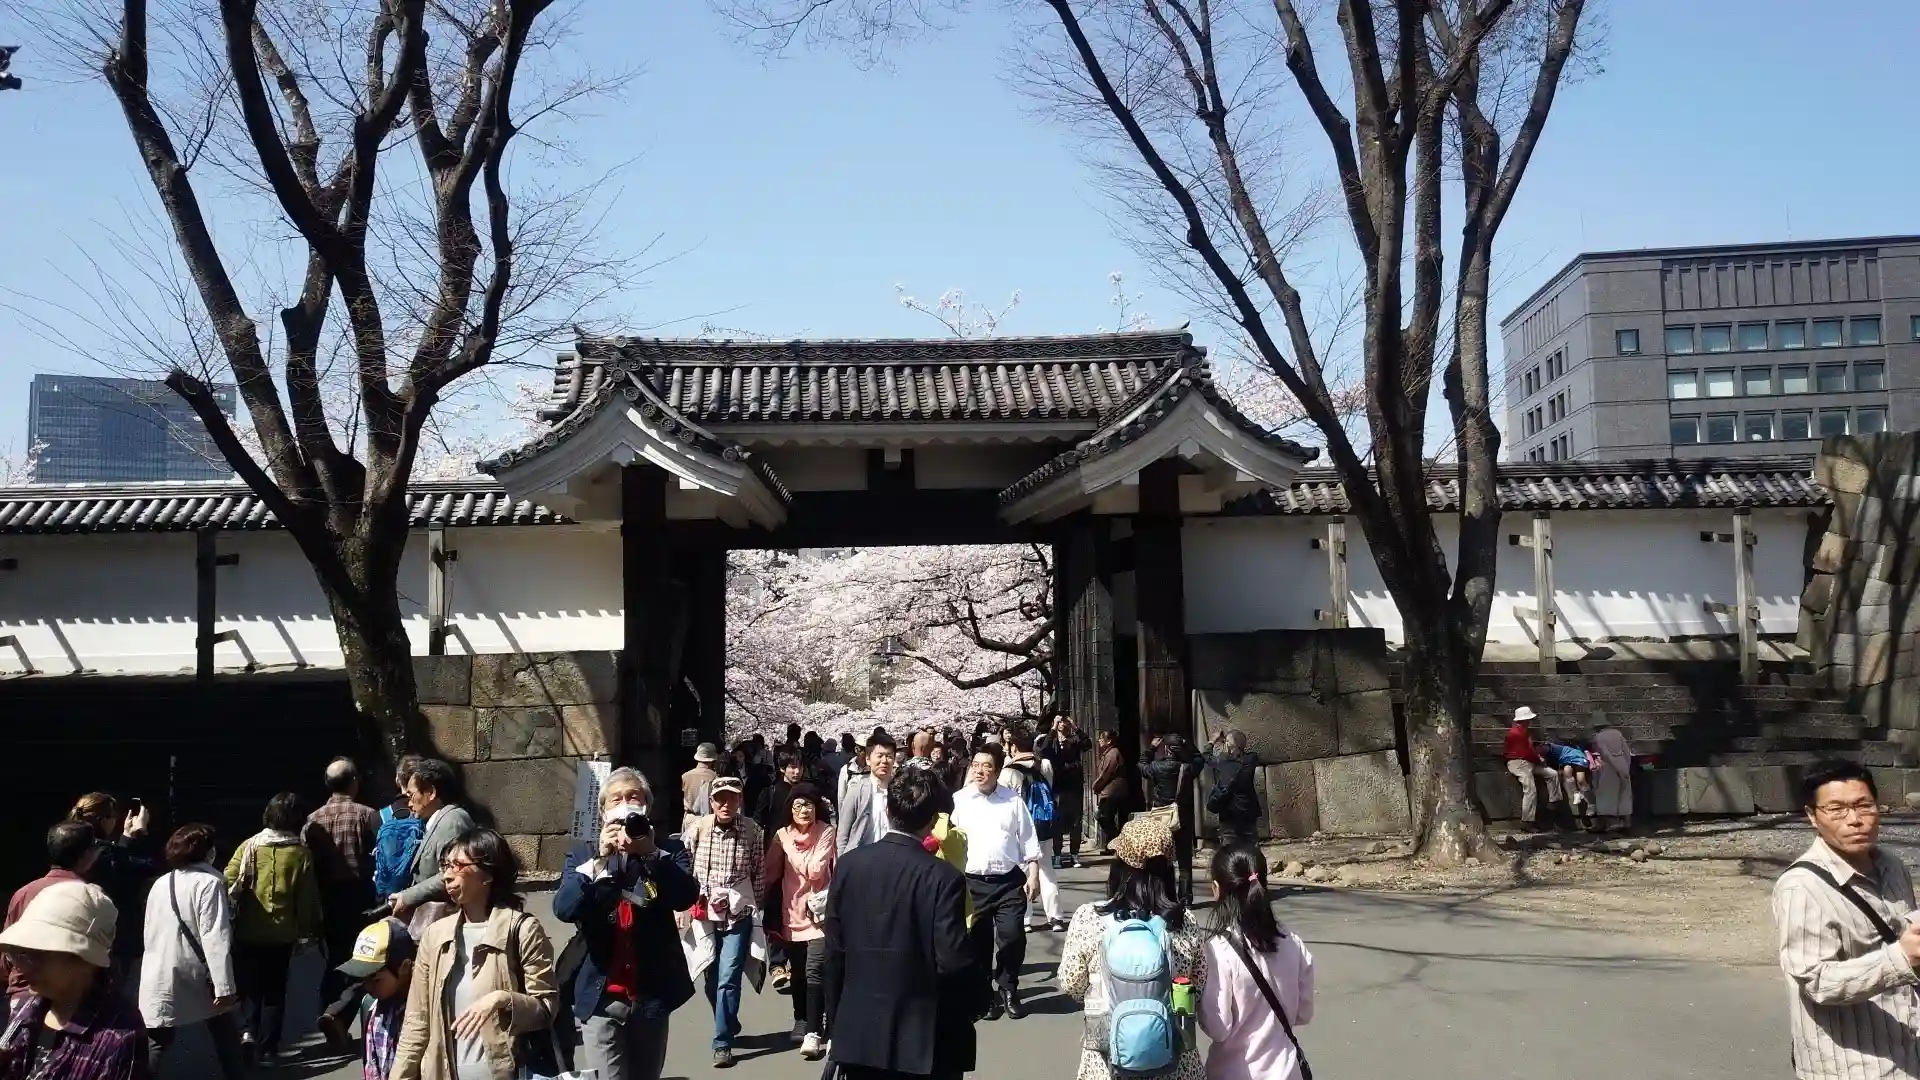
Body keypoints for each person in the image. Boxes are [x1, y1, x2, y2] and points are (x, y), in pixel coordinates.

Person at [824, 767, 981, 1080]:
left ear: (887, 809)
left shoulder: (850, 865)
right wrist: (974, 1000)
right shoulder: (943, 877)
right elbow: (952, 960)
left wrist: (835, 1024)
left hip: (859, 1033)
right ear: (933, 820)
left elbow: (835, 952)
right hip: (923, 1035)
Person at [1773, 759, 1920, 1079]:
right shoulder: (1801, 888)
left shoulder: (1893, 867)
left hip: (1908, 1052)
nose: (1855, 820)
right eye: (1837, 809)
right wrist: (1901, 958)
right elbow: (1816, 981)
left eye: (1864, 805)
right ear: (1813, 816)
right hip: (1852, 1065)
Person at [553, 767, 700, 1080]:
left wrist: (651, 854)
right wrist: (599, 862)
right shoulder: (583, 854)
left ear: (646, 806)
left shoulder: (669, 852)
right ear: (603, 811)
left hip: (651, 995)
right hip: (600, 995)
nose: (625, 804)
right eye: (616, 799)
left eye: (633, 797)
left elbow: (685, 897)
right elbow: (564, 908)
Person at [391, 828, 558, 1080]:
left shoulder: (522, 930)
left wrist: (504, 999)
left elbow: (546, 1008)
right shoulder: (435, 936)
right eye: (445, 866)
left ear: (487, 874)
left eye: (457, 865)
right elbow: (417, 1022)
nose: (447, 875)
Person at [1058, 815, 1206, 1080]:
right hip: (1176, 1064)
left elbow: (1071, 983)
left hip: (1106, 1063)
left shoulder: (1089, 918)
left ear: (1119, 867)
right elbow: (1199, 987)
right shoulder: (1184, 922)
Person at [0, 882, 147, 1080]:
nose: (23, 967)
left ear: (86, 961)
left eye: (39, 956)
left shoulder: (119, 1036)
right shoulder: (27, 1009)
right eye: (19, 954)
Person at [1200, 842, 1315, 1080]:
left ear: (1216, 889)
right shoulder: (1292, 942)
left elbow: (1218, 1028)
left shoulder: (1219, 951)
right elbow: (1303, 1012)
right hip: (1287, 1071)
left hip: (1235, 1072)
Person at [226, 791, 322, 1066]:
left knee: (250, 989)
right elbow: (306, 899)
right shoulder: (300, 854)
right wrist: (308, 932)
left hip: (247, 930)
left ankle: (248, 1034)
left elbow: (228, 879)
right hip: (282, 934)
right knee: (275, 992)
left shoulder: (249, 846)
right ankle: (268, 1049)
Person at [140, 823, 243, 1078]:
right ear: (208, 851)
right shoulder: (210, 883)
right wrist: (224, 987)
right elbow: (215, 936)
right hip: (198, 971)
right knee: (224, 1031)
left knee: (158, 1037)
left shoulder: (161, 883)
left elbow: (149, 930)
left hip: (161, 969)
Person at [950, 744, 1043, 1020]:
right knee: (978, 943)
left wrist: (1034, 874)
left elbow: (1028, 839)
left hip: (1008, 881)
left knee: (1013, 936)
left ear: (998, 770)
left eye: (986, 766)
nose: (980, 771)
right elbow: (948, 839)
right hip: (973, 883)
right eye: (976, 765)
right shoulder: (960, 800)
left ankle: (1008, 987)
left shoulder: (1013, 801)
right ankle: (985, 994)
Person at [681, 775, 764, 1069]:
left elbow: (758, 872)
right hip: (705, 912)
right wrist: (683, 906)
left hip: (738, 911)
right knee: (711, 976)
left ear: (739, 800)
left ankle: (722, 1042)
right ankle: (727, 1018)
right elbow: (685, 868)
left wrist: (758, 910)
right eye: (720, 799)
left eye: (732, 798)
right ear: (712, 802)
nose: (726, 804)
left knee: (729, 976)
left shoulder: (753, 831)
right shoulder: (697, 829)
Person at [762, 783, 836, 1060]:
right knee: (799, 972)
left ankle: (815, 1030)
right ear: (789, 810)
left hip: (818, 914)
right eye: (798, 806)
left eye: (808, 805)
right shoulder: (781, 835)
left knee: (816, 970)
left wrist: (788, 847)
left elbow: (816, 871)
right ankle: (801, 1018)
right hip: (790, 912)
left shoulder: (826, 832)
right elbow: (770, 872)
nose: (804, 810)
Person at [306, 758, 383, 1016]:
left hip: (327, 896)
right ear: (354, 782)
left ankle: (328, 1008)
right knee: (360, 954)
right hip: (361, 895)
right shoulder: (368, 815)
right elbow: (380, 857)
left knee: (335, 954)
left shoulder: (313, 820)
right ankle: (344, 1011)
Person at [2, 821, 102, 1009]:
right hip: (69, 999)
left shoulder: (23, 893)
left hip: (23, 995)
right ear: (86, 855)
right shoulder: (91, 897)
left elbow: (6, 957)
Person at [69, 792, 156, 984]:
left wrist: (127, 837)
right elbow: (144, 867)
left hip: (83, 934)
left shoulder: (75, 848)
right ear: (102, 820)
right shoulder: (102, 853)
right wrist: (140, 833)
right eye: (112, 816)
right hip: (115, 940)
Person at [389, 759, 478, 927]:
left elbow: (452, 873)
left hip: (447, 920)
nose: (409, 803)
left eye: (411, 795)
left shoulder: (453, 821)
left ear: (430, 792)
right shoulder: (439, 820)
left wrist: (408, 896)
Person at [332, 918, 416, 1080]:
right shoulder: (371, 1007)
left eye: (376, 980)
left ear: (405, 967)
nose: (368, 987)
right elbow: (371, 1063)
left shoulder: (422, 1010)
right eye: (363, 978)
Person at [1000, 728, 1066, 933]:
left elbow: (1004, 801)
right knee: (1047, 870)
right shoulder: (1044, 764)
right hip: (1043, 824)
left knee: (1023, 871)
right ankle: (1055, 917)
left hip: (1020, 827)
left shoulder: (1008, 771)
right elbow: (1051, 787)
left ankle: (1026, 919)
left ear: (1013, 746)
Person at [836, 733, 899, 857]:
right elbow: (843, 834)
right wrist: (842, 862)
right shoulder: (856, 790)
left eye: (889, 756)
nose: (884, 761)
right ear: (868, 759)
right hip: (861, 859)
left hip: (893, 859)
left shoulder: (899, 791)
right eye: (879, 756)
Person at [1503, 707, 1564, 828]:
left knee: (1552, 774)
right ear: (1524, 720)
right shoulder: (1516, 733)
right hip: (1517, 763)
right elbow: (1526, 753)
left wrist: (1537, 759)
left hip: (1528, 762)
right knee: (1530, 789)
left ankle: (1554, 800)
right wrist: (1539, 760)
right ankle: (1527, 821)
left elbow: (1529, 752)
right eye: (1528, 719)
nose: (1530, 721)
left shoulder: (1523, 732)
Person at [1202, 731, 1260, 847]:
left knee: (1229, 849)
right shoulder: (1251, 759)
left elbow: (1206, 756)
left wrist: (1213, 741)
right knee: (1251, 847)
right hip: (1248, 810)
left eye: (1227, 741)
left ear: (1230, 745)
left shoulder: (1223, 761)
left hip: (1229, 813)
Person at [1046, 717, 1088, 869]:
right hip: (1058, 786)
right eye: (1060, 721)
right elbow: (1043, 749)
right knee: (1057, 821)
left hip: (1074, 786)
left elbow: (1087, 744)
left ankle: (1074, 854)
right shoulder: (1051, 740)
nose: (1063, 724)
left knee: (1076, 822)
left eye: (1065, 721)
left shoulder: (1074, 740)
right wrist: (1053, 728)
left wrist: (1075, 727)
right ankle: (1057, 854)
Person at [1590, 723, 1634, 831]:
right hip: (1623, 764)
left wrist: (1616, 767)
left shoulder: (1599, 737)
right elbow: (1627, 752)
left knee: (1604, 795)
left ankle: (1604, 825)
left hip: (1609, 767)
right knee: (1625, 794)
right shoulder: (1618, 733)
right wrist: (1625, 768)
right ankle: (1627, 823)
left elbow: (1605, 753)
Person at [753, 751, 808, 835]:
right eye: (793, 767)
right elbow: (758, 823)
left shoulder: (806, 792)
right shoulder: (770, 792)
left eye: (800, 767)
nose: (797, 771)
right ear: (782, 768)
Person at [1092, 730, 1130, 851]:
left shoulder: (1113, 754)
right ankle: (1113, 845)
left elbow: (1106, 774)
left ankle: (1117, 843)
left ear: (1108, 741)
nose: (1099, 741)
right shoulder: (1109, 753)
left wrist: (1096, 786)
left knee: (1103, 817)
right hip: (1110, 791)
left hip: (1112, 792)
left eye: (1101, 738)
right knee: (1106, 817)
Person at [683, 744, 721, 819]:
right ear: (713, 760)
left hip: (689, 819)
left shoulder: (685, 776)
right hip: (707, 819)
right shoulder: (715, 778)